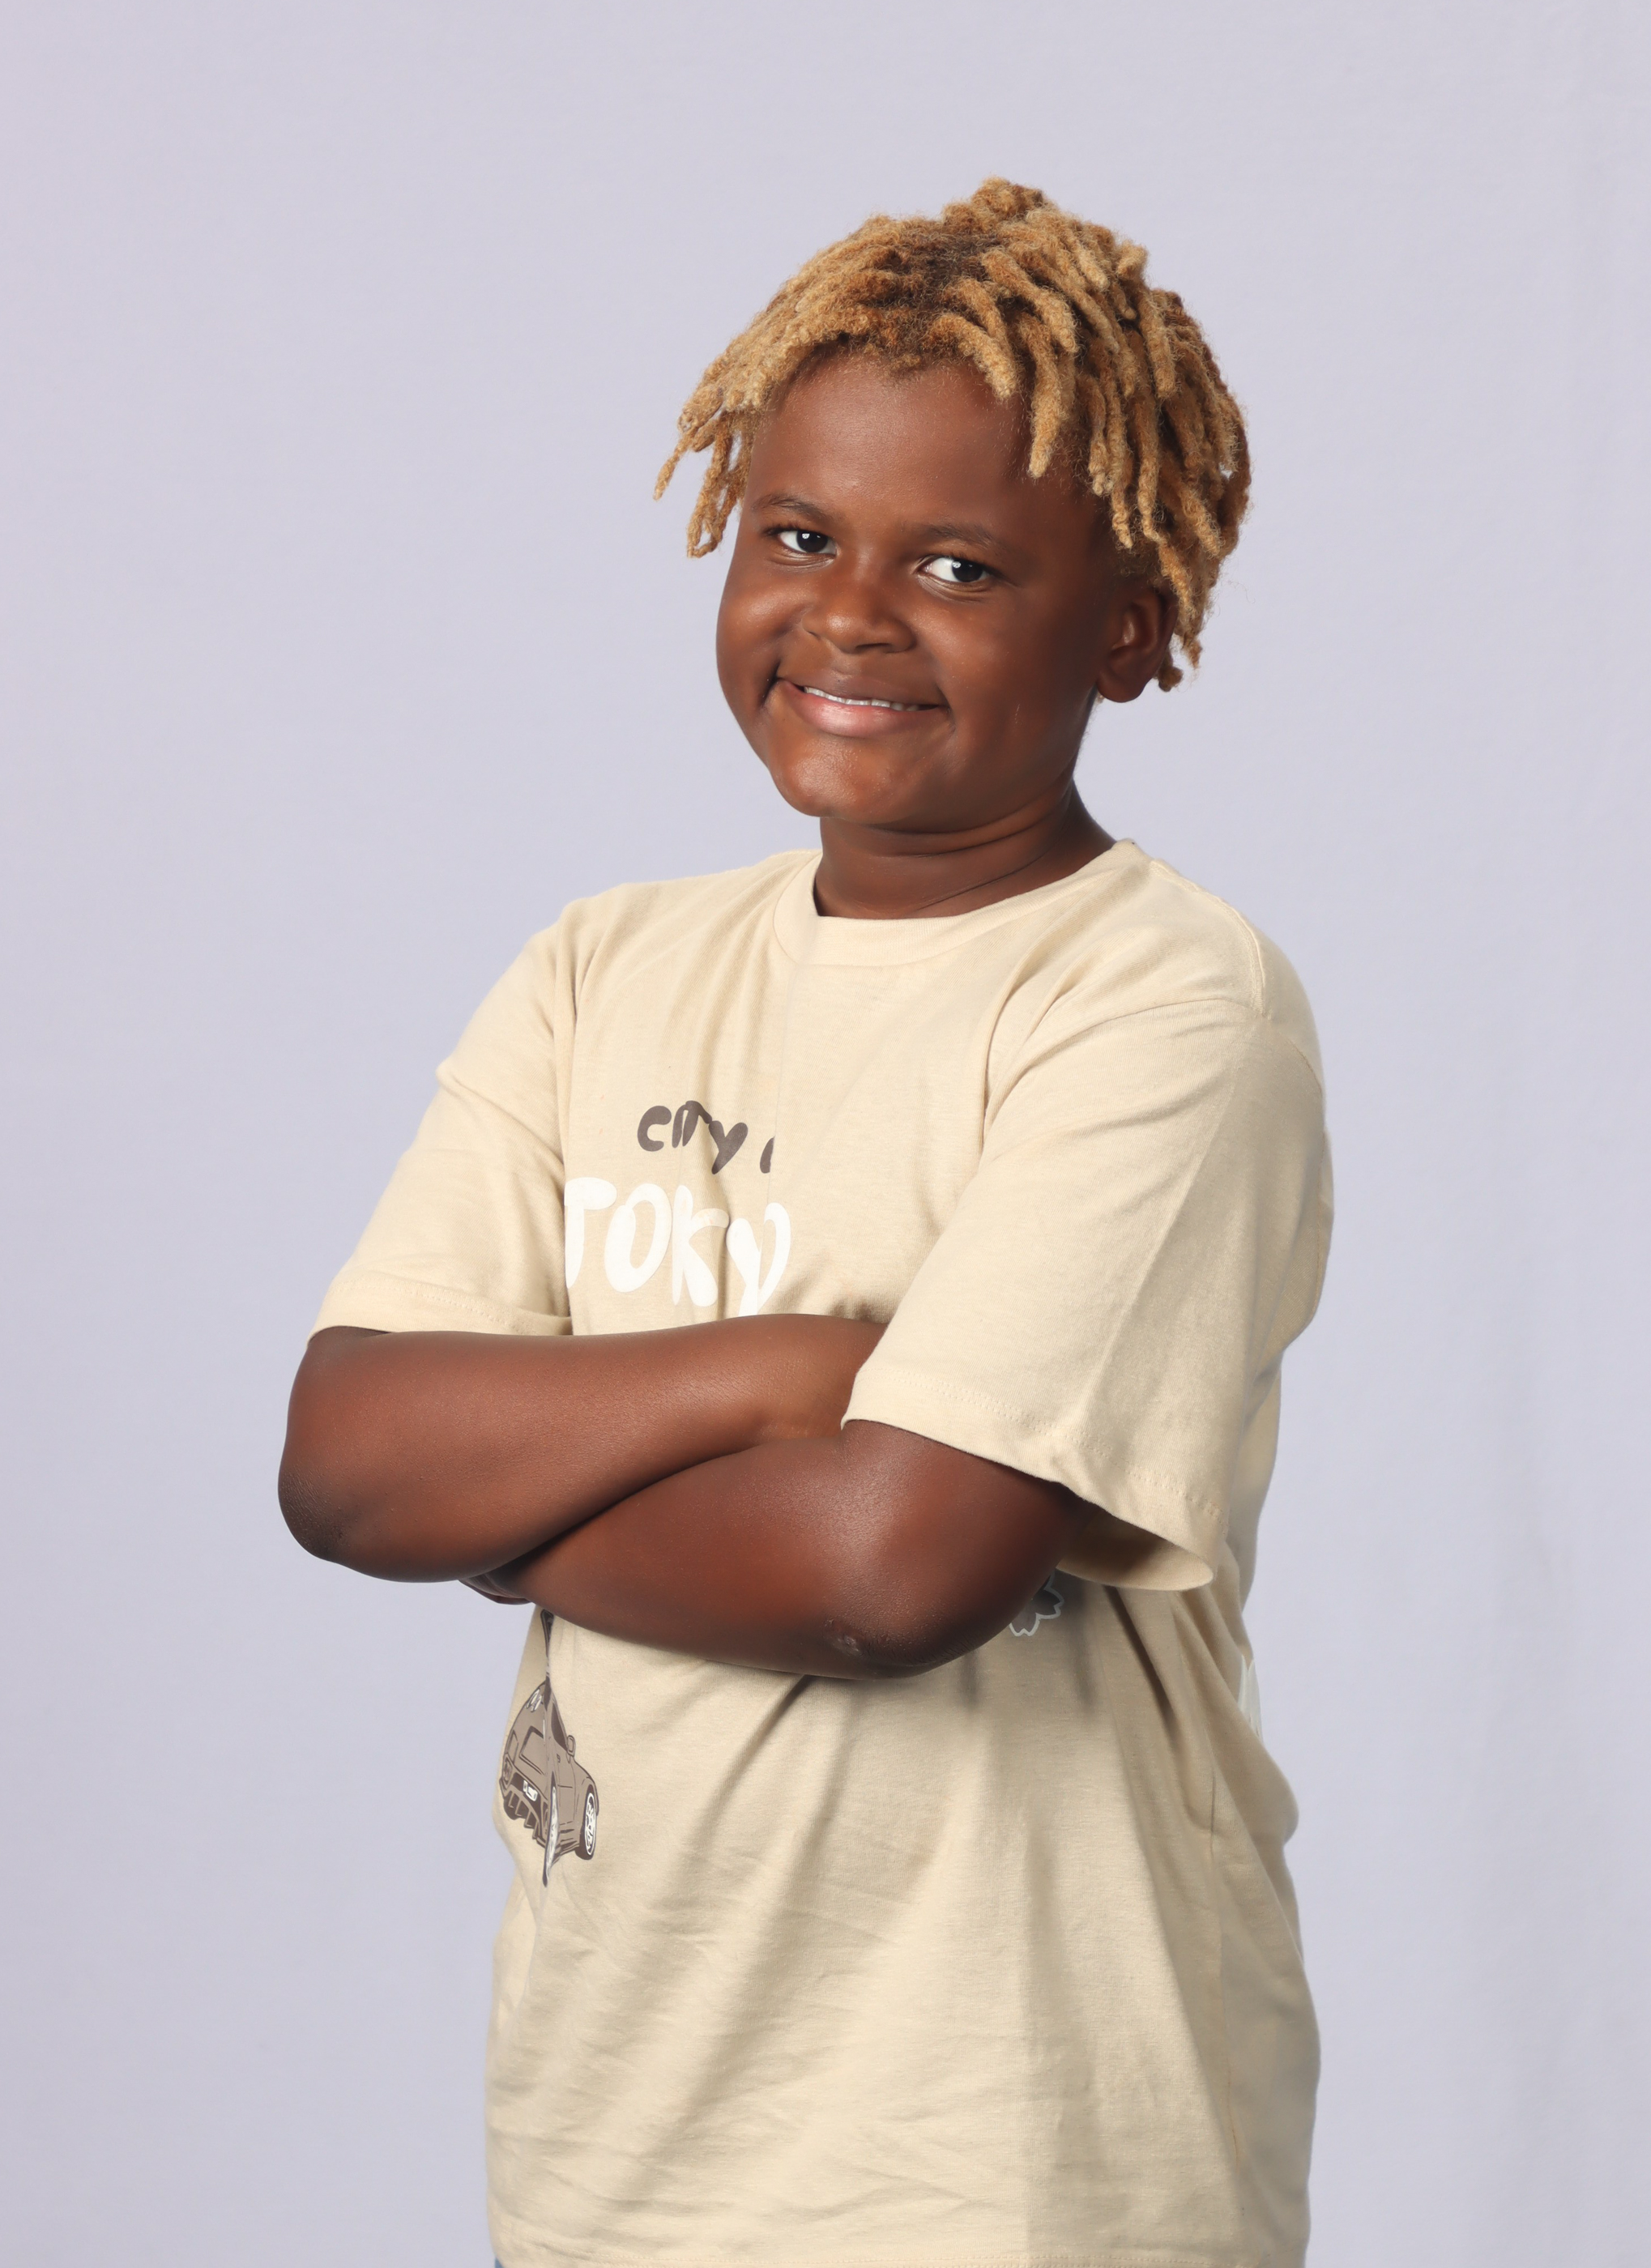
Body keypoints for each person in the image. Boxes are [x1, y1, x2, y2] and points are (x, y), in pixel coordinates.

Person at [279, 177, 1333, 2268]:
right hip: (621, 2143)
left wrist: (505, 1516)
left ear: (1129, 625)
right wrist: (791, 1374)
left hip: (1014, 2158)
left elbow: (892, 1567)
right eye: (796, 536)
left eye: (958, 566)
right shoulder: (601, 970)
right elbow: (344, 1458)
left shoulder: (1157, 1004)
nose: (852, 615)